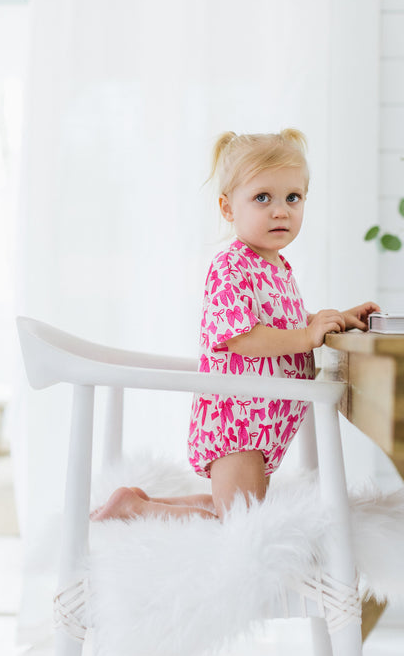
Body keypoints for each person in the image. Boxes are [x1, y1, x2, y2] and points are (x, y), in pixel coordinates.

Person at [91, 129, 379, 523]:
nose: (281, 210)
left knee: (236, 508)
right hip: (238, 418)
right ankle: (135, 511)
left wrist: (329, 319)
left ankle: (132, 502)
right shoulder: (232, 266)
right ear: (228, 208)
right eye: (263, 198)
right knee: (239, 521)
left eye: (292, 198)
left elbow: (286, 323)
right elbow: (242, 338)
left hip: (265, 421)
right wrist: (305, 336)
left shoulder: (277, 267)